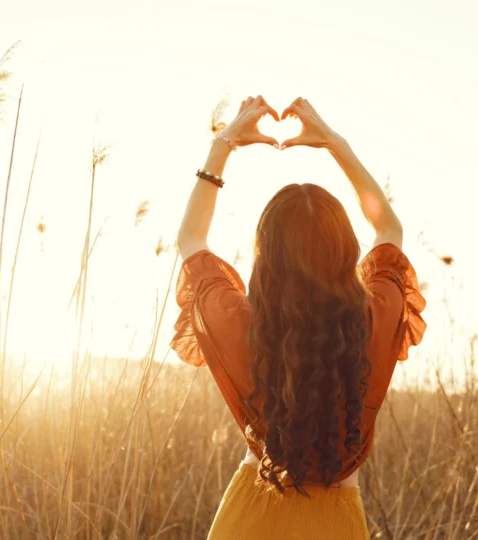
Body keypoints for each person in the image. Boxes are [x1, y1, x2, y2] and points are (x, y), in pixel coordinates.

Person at [171, 95, 427, 539]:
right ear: (344, 252)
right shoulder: (372, 321)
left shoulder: (243, 326)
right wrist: (334, 143)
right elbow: (389, 229)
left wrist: (223, 144)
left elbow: (191, 238)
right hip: (337, 524)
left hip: (249, 516)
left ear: (265, 259)